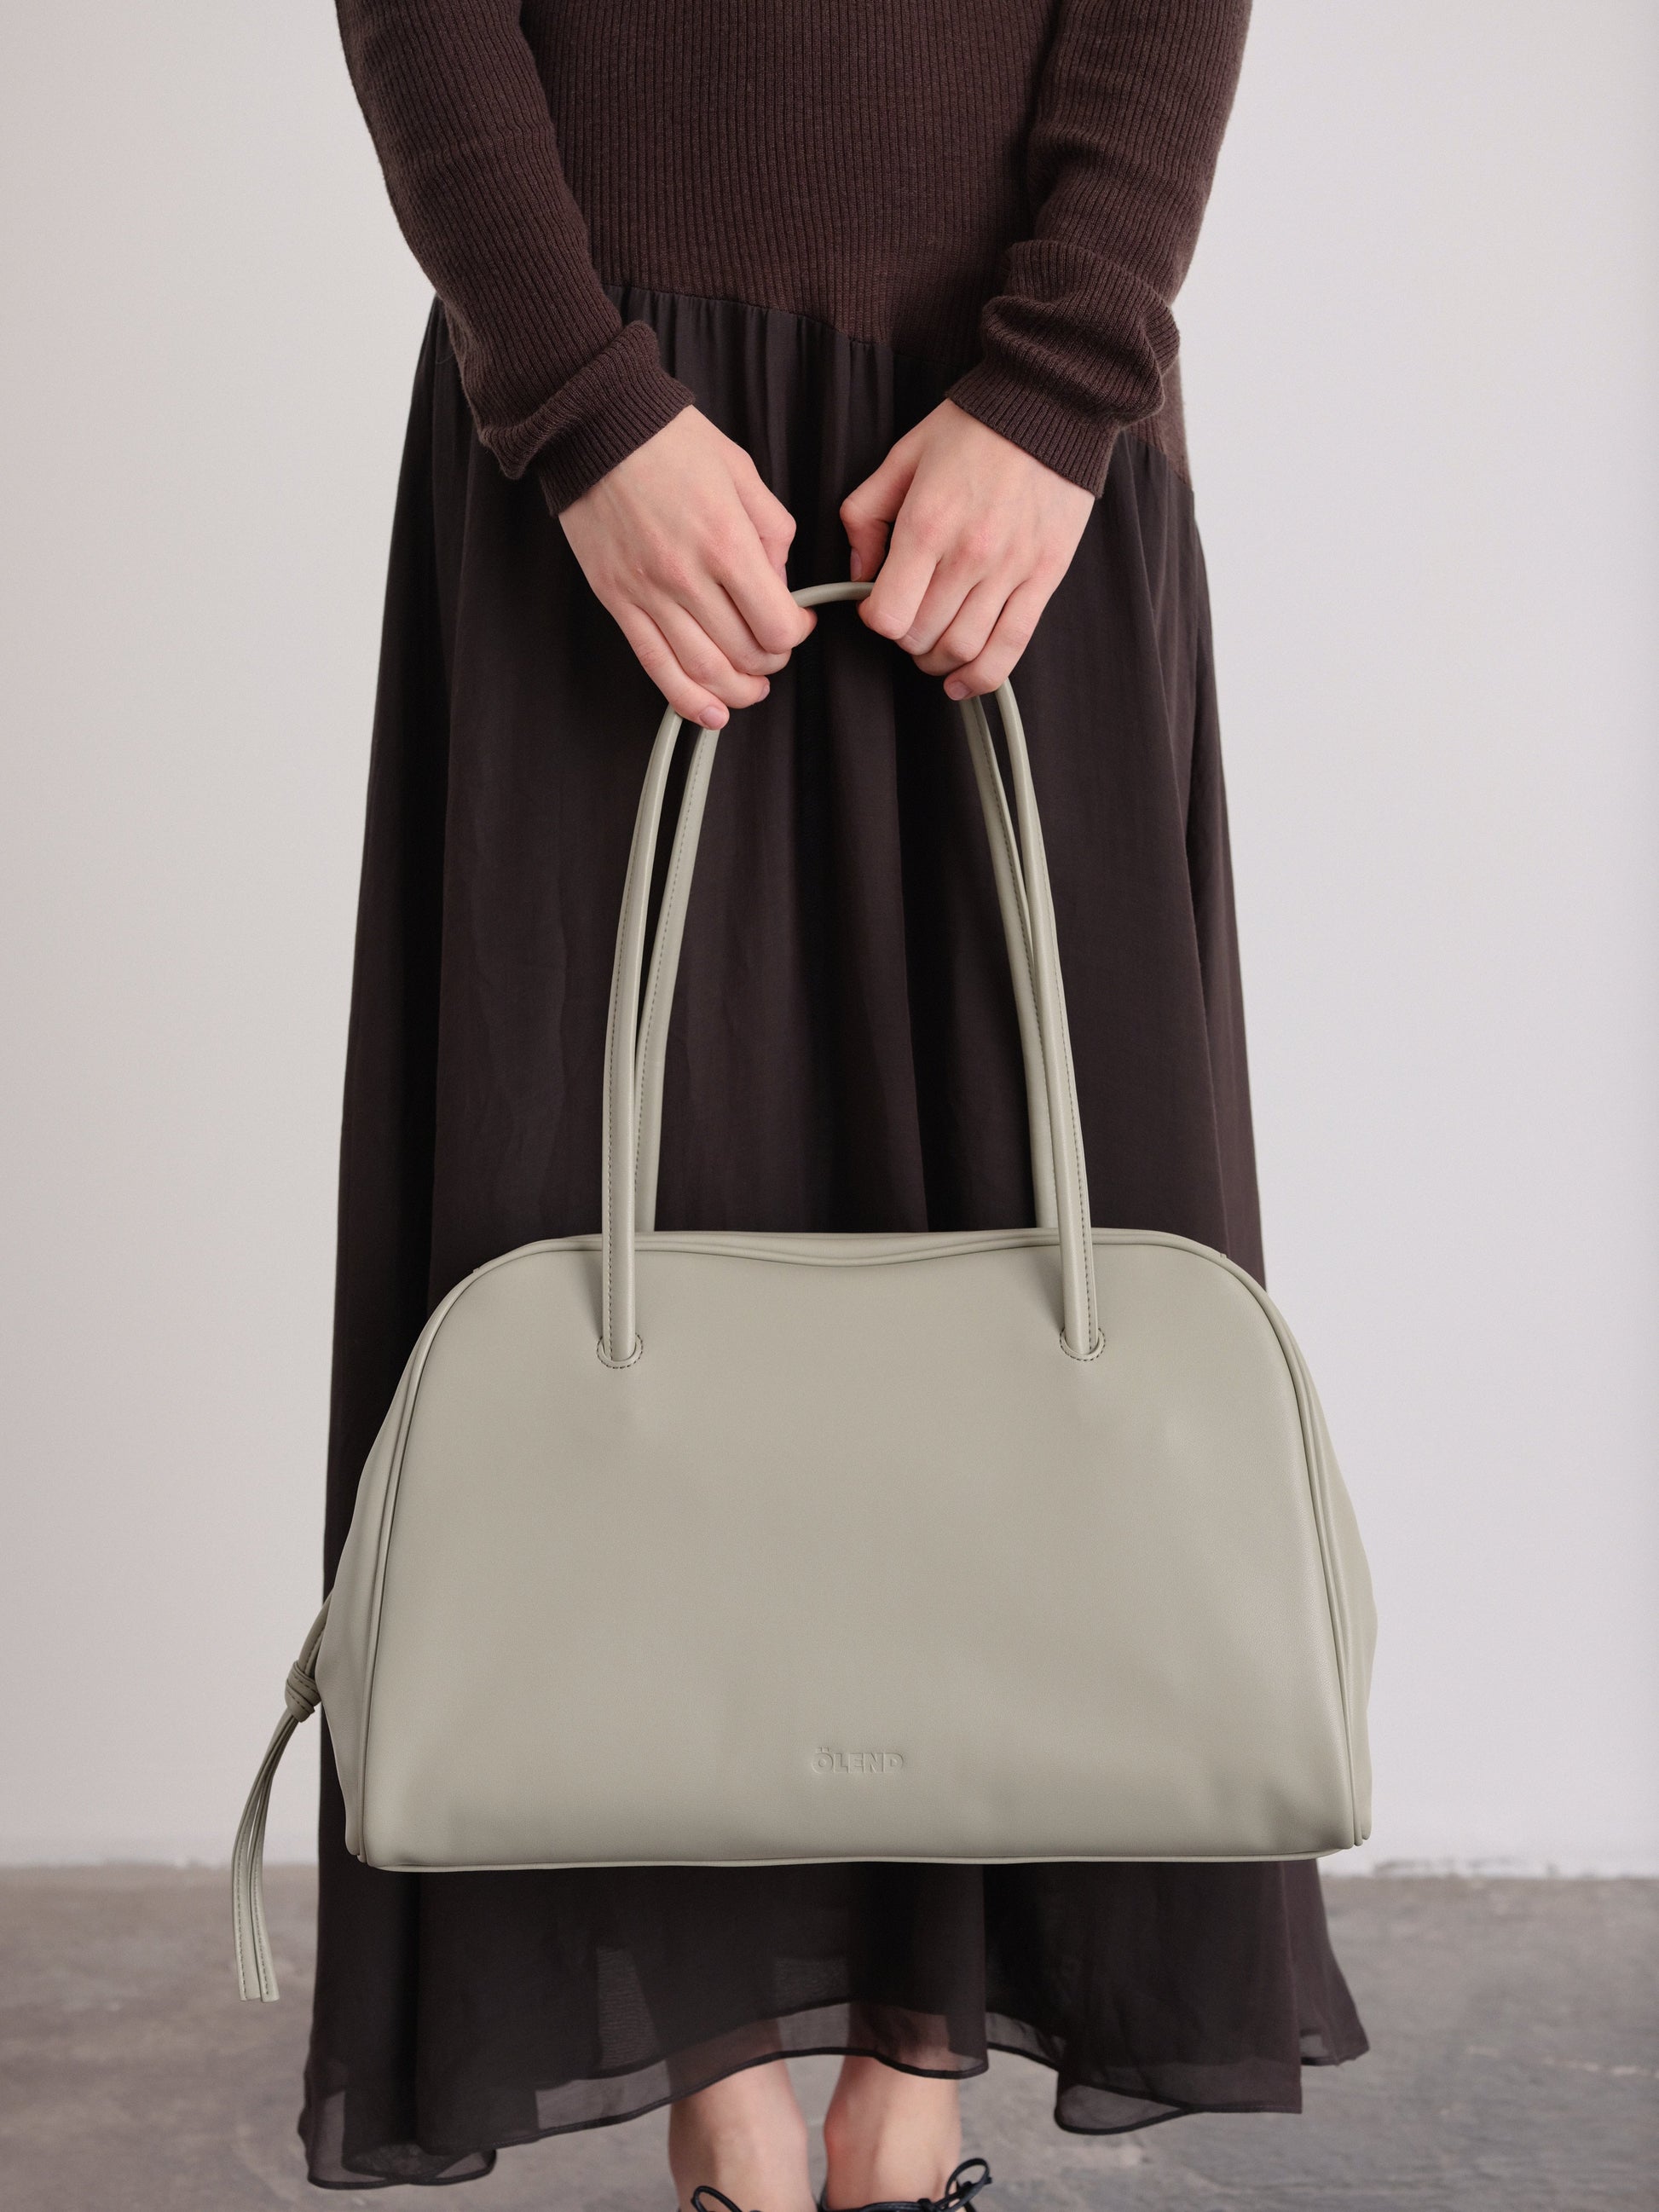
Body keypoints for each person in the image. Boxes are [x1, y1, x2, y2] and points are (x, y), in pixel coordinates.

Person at [304, 1, 1368, 2202]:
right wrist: (576, 395)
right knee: (602, 1284)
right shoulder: (590, 419)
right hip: (610, 435)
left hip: (1007, 450)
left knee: (1023, 1291)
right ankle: (724, 2117)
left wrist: (1062, 377)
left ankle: (911, 2095)